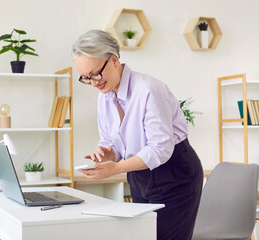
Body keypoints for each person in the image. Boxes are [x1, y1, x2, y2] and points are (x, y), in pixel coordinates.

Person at [72, 29, 203, 240]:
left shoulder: (148, 90)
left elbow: (161, 149)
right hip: (138, 174)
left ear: (114, 60)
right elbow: (111, 141)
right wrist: (109, 154)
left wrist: (115, 168)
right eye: (86, 78)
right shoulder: (104, 96)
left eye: (95, 73)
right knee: (144, 236)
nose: (94, 82)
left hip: (175, 174)